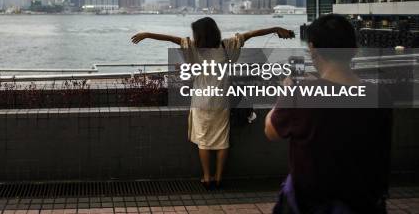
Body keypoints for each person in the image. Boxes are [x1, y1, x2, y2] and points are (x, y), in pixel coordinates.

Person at [132, 17, 294, 190]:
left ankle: (207, 177)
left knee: (204, 140)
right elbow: (251, 34)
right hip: (221, 101)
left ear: (199, 35)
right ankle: (218, 178)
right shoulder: (226, 47)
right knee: (222, 140)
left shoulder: (193, 47)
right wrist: (276, 28)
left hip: (201, 101)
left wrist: (147, 34)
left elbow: (171, 38)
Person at [264, 14, 393, 213]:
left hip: (313, 204)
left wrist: (287, 93)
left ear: (313, 50)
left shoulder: (302, 95)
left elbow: (270, 131)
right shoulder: (380, 96)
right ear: (354, 50)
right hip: (364, 203)